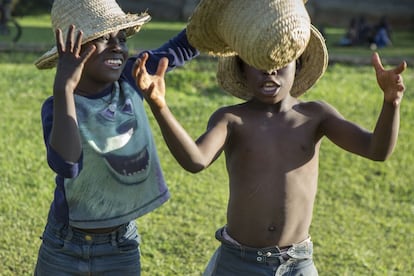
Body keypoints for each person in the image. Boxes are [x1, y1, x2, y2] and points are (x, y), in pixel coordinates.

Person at [133, 23, 407, 275]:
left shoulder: (315, 116)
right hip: (238, 262)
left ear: (296, 66)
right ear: (242, 69)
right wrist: (160, 106)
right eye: (257, 63)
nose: (270, 71)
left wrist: (391, 103)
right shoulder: (231, 120)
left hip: (297, 264)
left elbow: (376, 149)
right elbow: (195, 160)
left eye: (280, 62)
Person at [33, 0, 198, 275]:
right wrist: (64, 87)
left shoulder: (132, 79)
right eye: (103, 38)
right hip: (63, 245)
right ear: (72, 51)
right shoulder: (57, 105)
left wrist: (218, 12)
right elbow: (68, 165)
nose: (118, 47)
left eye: (121, 38)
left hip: (120, 245)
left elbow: (184, 45)